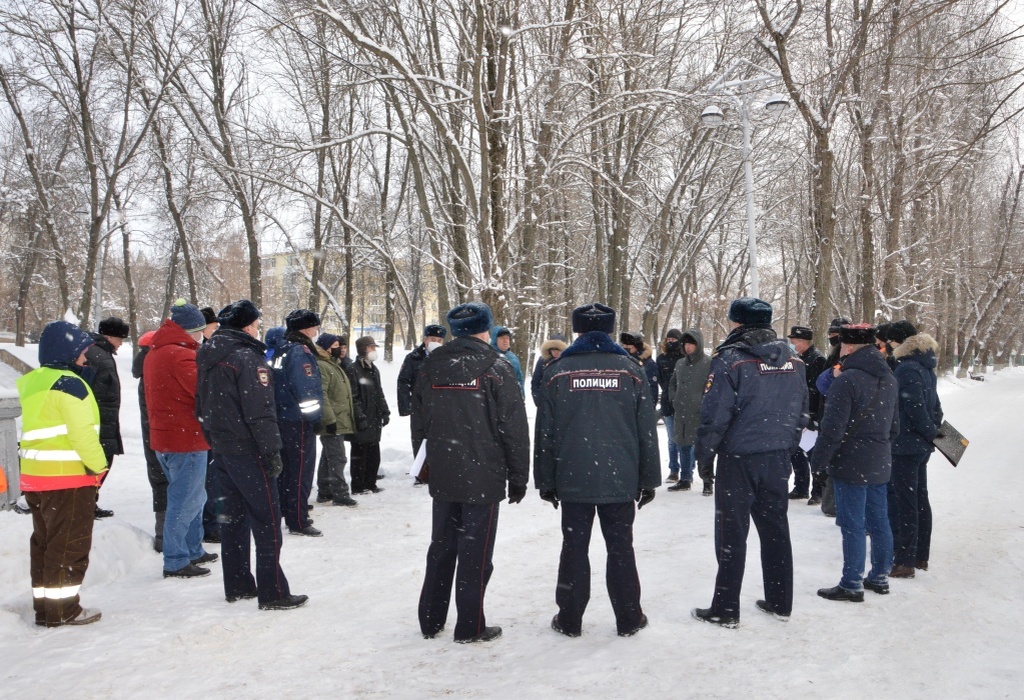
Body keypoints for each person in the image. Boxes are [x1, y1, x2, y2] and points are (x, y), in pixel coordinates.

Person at [534, 303, 661, 638]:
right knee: (621, 548)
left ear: (577, 331)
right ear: (609, 329)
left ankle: (570, 618)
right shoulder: (631, 369)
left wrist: (546, 480)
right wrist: (648, 480)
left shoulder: (558, 370)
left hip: (572, 476)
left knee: (574, 548)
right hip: (619, 477)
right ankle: (629, 617)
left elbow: (544, 431)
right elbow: (646, 428)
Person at [413, 301, 530, 643]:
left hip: (446, 468)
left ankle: (431, 618)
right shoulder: (497, 366)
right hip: (483, 471)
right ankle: (470, 625)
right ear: (486, 329)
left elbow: (420, 421)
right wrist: (518, 475)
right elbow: (514, 428)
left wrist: (424, 463)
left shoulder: (432, 364)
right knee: (475, 552)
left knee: (442, 546)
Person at [691, 298, 808, 628]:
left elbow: (715, 414)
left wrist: (704, 455)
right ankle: (779, 600)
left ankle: (726, 608)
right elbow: (802, 409)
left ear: (736, 323)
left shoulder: (732, 359)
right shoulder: (794, 360)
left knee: (731, 534)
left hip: (739, 458)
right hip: (776, 456)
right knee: (775, 529)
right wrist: (787, 445)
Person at [195, 300, 307, 610]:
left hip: (223, 448)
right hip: (248, 448)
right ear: (246, 326)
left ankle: (239, 584)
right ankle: (272, 592)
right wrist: (271, 450)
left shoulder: (208, 355)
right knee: (268, 519)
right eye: (256, 323)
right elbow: (260, 411)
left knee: (233, 519)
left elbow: (200, 406)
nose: (258, 327)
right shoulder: (247, 358)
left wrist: (215, 438)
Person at [18, 321, 108, 626]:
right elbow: (82, 435)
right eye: (82, 352)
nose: (85, 358)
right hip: (68, 478)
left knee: (45, 544)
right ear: (68, 352)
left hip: (36, 477)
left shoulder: (34, 382)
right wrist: (99, 465)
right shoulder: (70, 384)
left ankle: (45, 607)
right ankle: (63, 610)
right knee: (70, 544)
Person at [810, 324, 899, 601]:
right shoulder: (890, 378)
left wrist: (819, 461)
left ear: (847, 347)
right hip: (879, 458)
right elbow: (894, 427)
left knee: (852, 524)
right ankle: (880, 575)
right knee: (879, 520)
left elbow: (832, 428)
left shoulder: (847, 380)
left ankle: (851, 583)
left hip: (850, 460)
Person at [145, 301, 217, 578]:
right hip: (185, 438)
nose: (202, 336)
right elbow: (202, 391)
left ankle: (192, 548)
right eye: (199, 331)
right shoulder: (180, 356)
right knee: (185, 500)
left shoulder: (160, 351)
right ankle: (176, 559)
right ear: (189, 331)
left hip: (169, 437)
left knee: (192, 497)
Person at [887, 321, 943, 578]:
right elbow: (935, 406)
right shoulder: (924, 365)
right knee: (919, 499)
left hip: (906, 445)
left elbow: (915, 407)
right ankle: (920, 555)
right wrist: (933, 435)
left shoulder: (906, 368)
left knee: (906, 502)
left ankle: (906, 560)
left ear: (898, 341)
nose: (887, 345)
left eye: (889, 340)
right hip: (918, 445)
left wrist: (930, 433)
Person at [269, 309, 324, 537]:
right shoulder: (300, 352)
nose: (317, 331)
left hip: (281, 417)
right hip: (297, 421)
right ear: (307, 328)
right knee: (300, 471)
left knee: (286, 470)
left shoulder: (280, 349)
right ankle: (298, 520)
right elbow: (307, 390)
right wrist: (314, 418)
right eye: (315, 327)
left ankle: (285, 510)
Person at [86, 315, 129, 519]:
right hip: (101, 420)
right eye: (120, 339)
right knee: (100, 464)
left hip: (103, 418)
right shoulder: (99, 355)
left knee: (101, 464)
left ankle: (90, 502)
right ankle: (88, 503)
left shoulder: (97, 352)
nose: (121, 343)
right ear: (110, 336)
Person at [313, 333, 360, 507]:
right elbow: (322, 395)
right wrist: (329, 418)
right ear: (326, 348)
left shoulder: (333, 365)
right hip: (332, 420)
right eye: (334, 345)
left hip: (338, 418)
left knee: (328, 456)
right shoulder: (322, 366)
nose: (339, 348)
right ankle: (340, 493)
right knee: (338, 457)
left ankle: (325, 491)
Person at [131, 329, 168, 552]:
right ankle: (166, 538)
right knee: (167, 483)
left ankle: (163, 535)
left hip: (152, 436)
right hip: (162, 436)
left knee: (160, 482)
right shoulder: (155, 371)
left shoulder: (145, 370)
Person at [398, 324, 447, 485]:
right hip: (419, 406)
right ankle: (422, 472)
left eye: (439, 340)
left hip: (441, 405)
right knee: (419, 438)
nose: (436, 342)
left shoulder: (446, 357)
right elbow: (403, 382)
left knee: (441, 438)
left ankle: (440, 471)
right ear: (425, 339)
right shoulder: (413, 358)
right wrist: (405, 406)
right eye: (433, 339)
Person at [785, 325, 828, 504]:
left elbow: (817, 391)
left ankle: (818, 490)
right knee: (796, 452)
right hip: (796, 412)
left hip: (810, 413)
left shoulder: (817, 360)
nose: (792, 344)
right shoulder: (795, 358)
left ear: (803, 342)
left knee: (813, 455)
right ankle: (800, 486)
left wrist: (813, 415)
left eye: (794, 342)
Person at [666, 328, 712, 494]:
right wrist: (674, 399)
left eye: (692, 343)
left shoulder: (708, 363)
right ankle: (685, 479)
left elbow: (713, 387)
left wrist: (704, 403)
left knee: (704, 448)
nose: (688, 347)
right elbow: (672, 383)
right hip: (681, 411)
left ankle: (707, 481)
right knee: (683, 445)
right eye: (686, 343)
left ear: (698, 344)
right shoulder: (680, 363)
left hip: (700, 413)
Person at [346, 336, 390, 494]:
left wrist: (385, 411)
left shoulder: (373, 369)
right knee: (359, 454)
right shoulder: (353, 369)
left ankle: (370, 483)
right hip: (362, 419)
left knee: (373, 454)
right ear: (363, 349)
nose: (374, 351)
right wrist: (360, 417)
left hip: (374, 418)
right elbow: (352, 396)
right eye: (371, 348)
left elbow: (379, 393)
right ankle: (358, 486)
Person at [656, 329, 685, 482]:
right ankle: (674, 470)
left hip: (685, 404)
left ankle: (688, 470)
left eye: (674, 339)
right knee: (672, 440)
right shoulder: (661, 359)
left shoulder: (686, 358)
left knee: (686, 439)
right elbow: (660, 380)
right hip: (668, 403)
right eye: (669, 338)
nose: (671, 341)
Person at [619, 332, 659, 402]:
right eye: (624, 346)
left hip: (640, 405)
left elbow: (651, 391)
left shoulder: (649, 364)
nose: (625, 348)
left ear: (636, 347)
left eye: (628, 346)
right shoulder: (622, 361)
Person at [530, 337, 567, 407]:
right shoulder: (542, 361)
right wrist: (538, 400)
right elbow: (535, 382)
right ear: (549, 350)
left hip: (563, 404)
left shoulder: (567, 362)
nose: (556, 352)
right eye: (553, 349)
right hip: (545, 402)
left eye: (559, 349)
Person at [490, 325, 525, 394]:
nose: (505, 341)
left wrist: (521, 397)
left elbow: (519, 380)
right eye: (502, 338)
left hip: (512, 399)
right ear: (495, 340)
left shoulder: (513, 358)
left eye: (507, 338)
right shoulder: (488, 356)